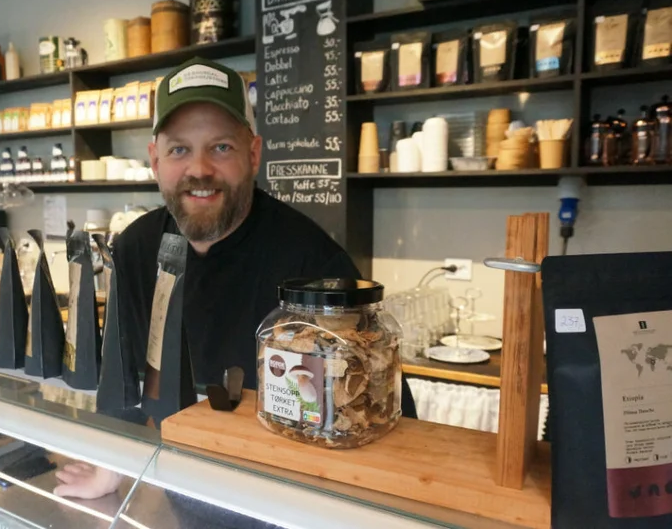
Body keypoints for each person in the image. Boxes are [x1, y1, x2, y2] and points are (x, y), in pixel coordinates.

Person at [54, 58, 416, 500]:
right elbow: (128, 379)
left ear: (254, 153)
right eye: (179, 149)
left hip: (291, 496)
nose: (200, 169)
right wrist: (113, 466)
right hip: (182, 484)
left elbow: (375, 413)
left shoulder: (315, 264)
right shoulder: (136, 247)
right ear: (154, 160)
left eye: (221, 147)